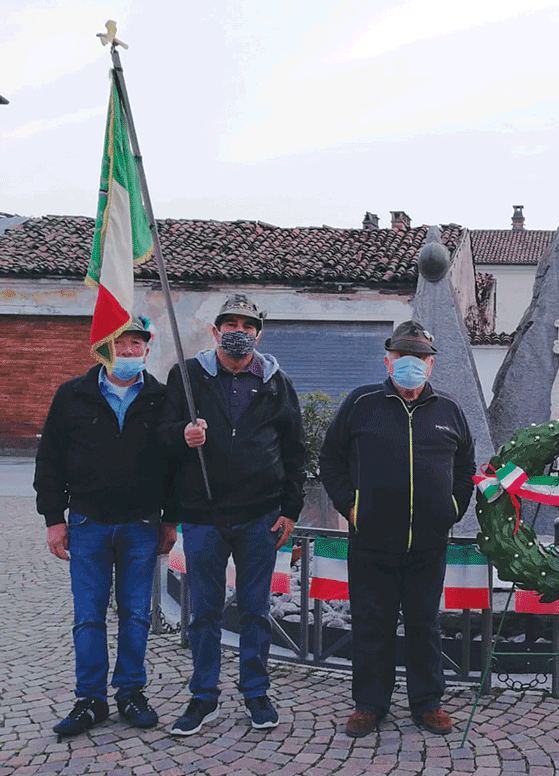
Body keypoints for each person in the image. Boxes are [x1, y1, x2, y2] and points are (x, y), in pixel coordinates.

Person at [319, 320, 475, 738]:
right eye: (403, 355)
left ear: (431, 364)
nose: (412, 363)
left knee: (425, 624)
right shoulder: (361, 403)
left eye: (420, 357)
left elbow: (466, 468)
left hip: (428, 544)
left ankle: (428, 703)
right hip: (371, 540)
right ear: (388, 360)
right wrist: (349, 507)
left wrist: (453, 508)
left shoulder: (449, 409)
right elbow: (330, 460)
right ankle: (369, 704)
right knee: (372, 624)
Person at [159, 293, 304, 736]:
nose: (238, 331)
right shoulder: (186, 377)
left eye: (247, 324)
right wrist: (182, 434)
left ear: (259, 334)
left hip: (260, 517)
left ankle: (255, 692)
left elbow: (295, 450)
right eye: (230, 323)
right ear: (215, 330)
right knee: (203, 610)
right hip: (203, 516)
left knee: (256, 610)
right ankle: (203, 696)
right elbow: (161, 438)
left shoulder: (278, 382)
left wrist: (290, 511)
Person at [35, 316, 176, 737]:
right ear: (104, 348)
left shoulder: (161, 398)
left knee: (136, 614)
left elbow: (175, 465)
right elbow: (50, 461)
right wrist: (54, 520)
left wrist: (172, 519)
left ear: (147, 350)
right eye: (121, 343)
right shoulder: (71, 395)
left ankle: (131, 692)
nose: (130, 351)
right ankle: (90, 699)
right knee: (88, 616)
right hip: (87, 523)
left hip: (141, 523)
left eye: (137, 343)